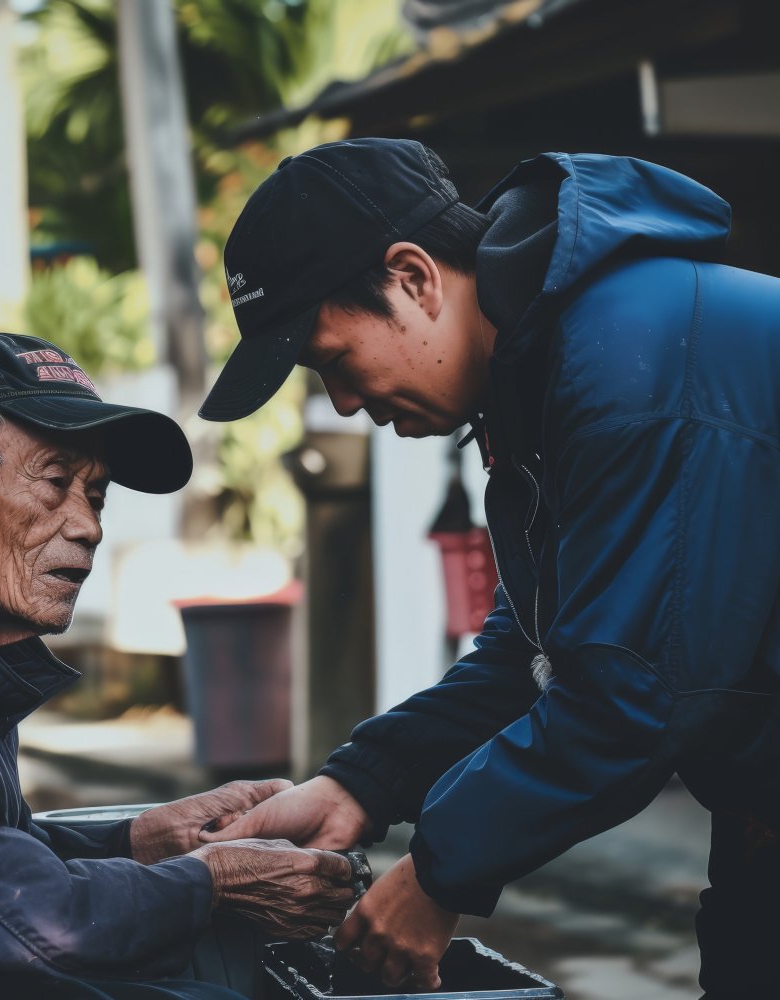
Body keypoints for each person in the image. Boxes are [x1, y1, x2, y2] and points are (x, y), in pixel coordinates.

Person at [196, 137, 780, 996]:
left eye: (331, 362)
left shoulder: (634, 362)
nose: (345, 404)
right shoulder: (542, 380)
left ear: (412, 278)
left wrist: (436, 875)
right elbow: (535, 655)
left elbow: (632, 693)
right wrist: (363, 782)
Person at [0, 330, 354, 1000]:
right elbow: (18, 917)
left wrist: (144, 839)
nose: (88, 526)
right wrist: (215, 877)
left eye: (97, 495)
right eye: (55, 482)